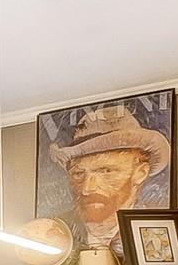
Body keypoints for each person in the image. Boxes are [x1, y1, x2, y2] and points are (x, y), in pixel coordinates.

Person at [47, 104, 171, 250]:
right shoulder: (55, 232)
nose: (87, 189)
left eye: (106, 171)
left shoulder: (156, 231)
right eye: (78, 173)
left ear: (140, 173)